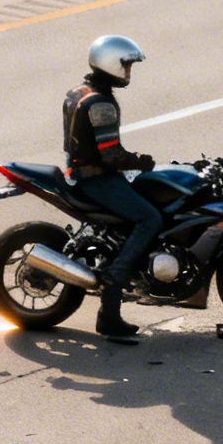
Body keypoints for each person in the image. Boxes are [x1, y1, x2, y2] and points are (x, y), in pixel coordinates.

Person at [64, 34, 161, 342]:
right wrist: (141, 161)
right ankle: (114, 279)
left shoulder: (80, 90)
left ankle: (114, 297)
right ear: (110, 63)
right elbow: (111, 155)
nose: (129, 72)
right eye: (126, 66)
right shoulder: (101, 103)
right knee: (150, 219)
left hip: (81, 172)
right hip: (97, 179)